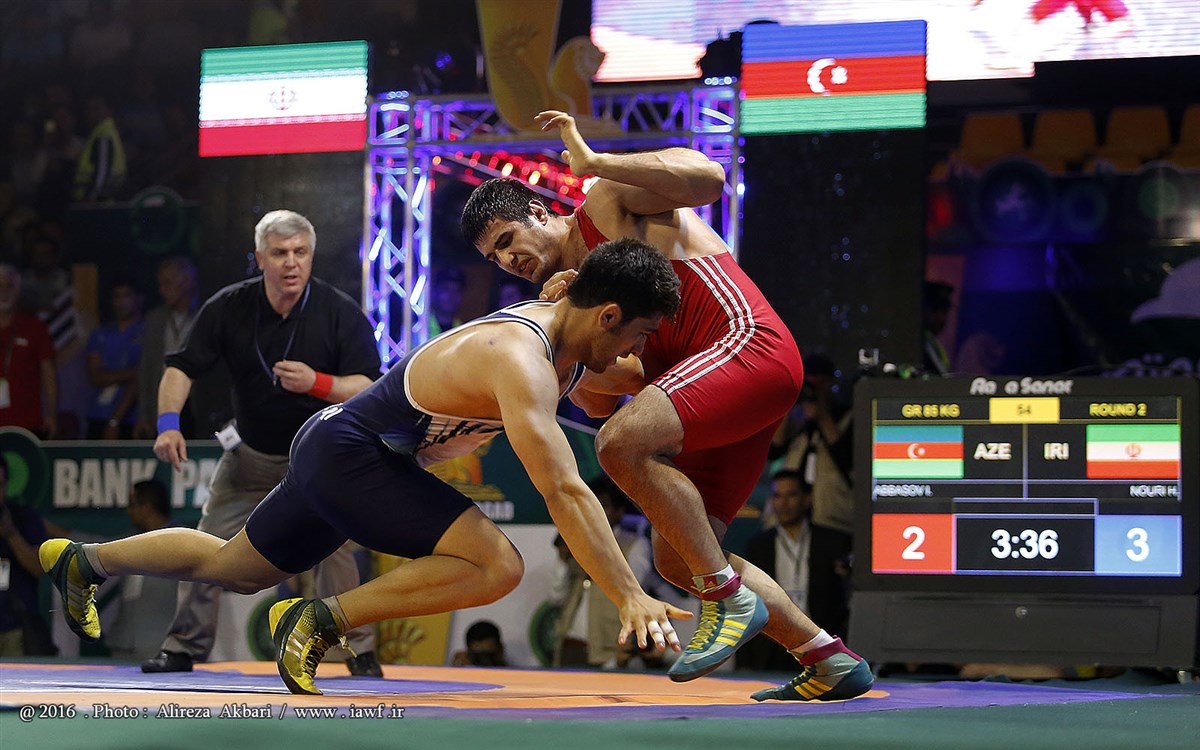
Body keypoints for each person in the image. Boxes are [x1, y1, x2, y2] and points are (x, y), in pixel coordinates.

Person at [40, 238, 690, 696]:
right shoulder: (520, 359)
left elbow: (633, 379)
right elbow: (564, 489)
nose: (635, 350)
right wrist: (628, 595)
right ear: (607, 316)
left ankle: (86, 561)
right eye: (636, 334)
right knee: (498, 565)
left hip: (336, 448)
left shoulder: (573, 344)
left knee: (231, 567)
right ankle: (318, 620)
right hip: (355, 455)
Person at [460, 111, 873, 701]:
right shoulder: (572, 298)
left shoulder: (605, 204)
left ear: (538, 211)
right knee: (679, 556)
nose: (507, 262)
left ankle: (729, 600)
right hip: (715, 388)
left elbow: (708, 177)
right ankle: (827, 658)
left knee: (620, 447)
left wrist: (596, 163)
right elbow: (614, 393)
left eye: (507, 241)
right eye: (494, 258)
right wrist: (568, 341)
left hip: (749, 344)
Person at [137, 209, 382, 677]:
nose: (291, 262)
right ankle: (183, 647)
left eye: (300, 252)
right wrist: (168, 424)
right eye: (280, 252)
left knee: (336, 549)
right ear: (260, 258)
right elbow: (181, 367)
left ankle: (357, 650)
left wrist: (318, 382)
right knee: (206, 543)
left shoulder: (337, 310)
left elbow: (369, 386)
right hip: (249, 458)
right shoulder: (229, 306)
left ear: (311, 257)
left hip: (319, 460)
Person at [736, 470, 853, 672]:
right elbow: (746, 602)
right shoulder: (758, 546)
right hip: (772, 645)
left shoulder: (833, 542)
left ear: (807, 499)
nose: (783, 503)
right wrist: (744, 662)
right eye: (777, 496)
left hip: (819, 639)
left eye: (791, 495)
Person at [550, 473, 654, 669]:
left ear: (619, 512)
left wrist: (596, 544)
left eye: (603, 505)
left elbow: (634, 589)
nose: (594, 509)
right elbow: (556, 598)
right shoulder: (575, 541)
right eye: (590, 503)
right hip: (570, 646)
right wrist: (563, 559)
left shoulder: (635, 545)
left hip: (609, 650)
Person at [779, 354, 855, 536]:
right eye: (808, 384)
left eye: (820, 384)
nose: (812, 390)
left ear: (831, 383)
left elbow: (845, 456)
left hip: (834, 520)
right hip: (792, 521)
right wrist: (788, 402)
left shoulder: (848, 417)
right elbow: (774, 448)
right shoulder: (798, 420)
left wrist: (821, 412)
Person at [106, 479, 178, 661]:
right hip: (123, 644)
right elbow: (96, 546)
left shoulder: (181, 541)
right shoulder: (129, 542)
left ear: (146, 508)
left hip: (162, 646)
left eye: (132, 504)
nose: (128, 511)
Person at [134, 256, 200, 439]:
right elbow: (146, 370)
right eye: (161, 284)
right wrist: (144, 415)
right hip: (164, 402)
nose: (162, 289)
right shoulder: (154, 320)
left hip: (197, 405)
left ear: (187, 282)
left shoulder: (205, 315)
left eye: (168, 283)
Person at [0, 453, 56, 655]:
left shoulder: (24, 518)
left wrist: (11, 534)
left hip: (13, 627)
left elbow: (38, 568)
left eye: (0, 485)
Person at [0, 263, 57, 438]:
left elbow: (49, 374)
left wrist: (52, 414)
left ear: (18, 290)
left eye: (9, 286)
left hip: (28, 423)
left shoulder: (35, 327)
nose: (4, 292)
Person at [84, 277, 143, 440]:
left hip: (132, 419)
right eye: (117, 296)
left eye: (127, 295)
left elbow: (142, 377)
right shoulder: (99, 334)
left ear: (139, 299)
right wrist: (131, 373)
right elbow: (95, 376)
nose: (121, 302)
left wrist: (115, 420)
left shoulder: (147, 332)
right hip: (98, 414)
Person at [922, 280, 954, 376]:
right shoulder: (917, 343)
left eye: (945, 310)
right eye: (934, 310)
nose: (940, 317)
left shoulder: (934, 344)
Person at [428, 265, 466, 336]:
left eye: (456, 290)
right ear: (435, 291)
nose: (452, 295)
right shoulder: (420, 329)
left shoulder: (463, 331)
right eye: (446, 289)